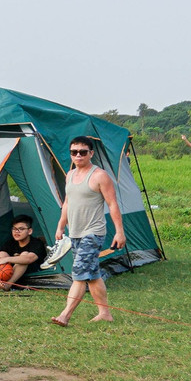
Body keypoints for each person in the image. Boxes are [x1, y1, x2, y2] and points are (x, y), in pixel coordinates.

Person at [50, 136, 126, 326]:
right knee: (92, 275)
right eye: (74, 152)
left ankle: (65, 315)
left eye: (83, 152)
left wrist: (119, 232)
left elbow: (113, 204)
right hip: (75, 232)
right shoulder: (70, 175)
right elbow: (67, 203)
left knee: (79, 273)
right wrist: (60, 226)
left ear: (91, 153)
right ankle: (105, 313)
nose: (78, 155)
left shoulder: (99, 176)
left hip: (93, 233)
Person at [0, 214, 46, 291]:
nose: (17, 231)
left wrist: (7, 259)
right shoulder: (10, 242)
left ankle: (7, 285)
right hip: (11, 273)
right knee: (1, 253)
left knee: (24, 255)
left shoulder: (37, 243)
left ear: (29, 231)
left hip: (31, 273)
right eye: (14, 228)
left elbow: (29, 259)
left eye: (21, 229)